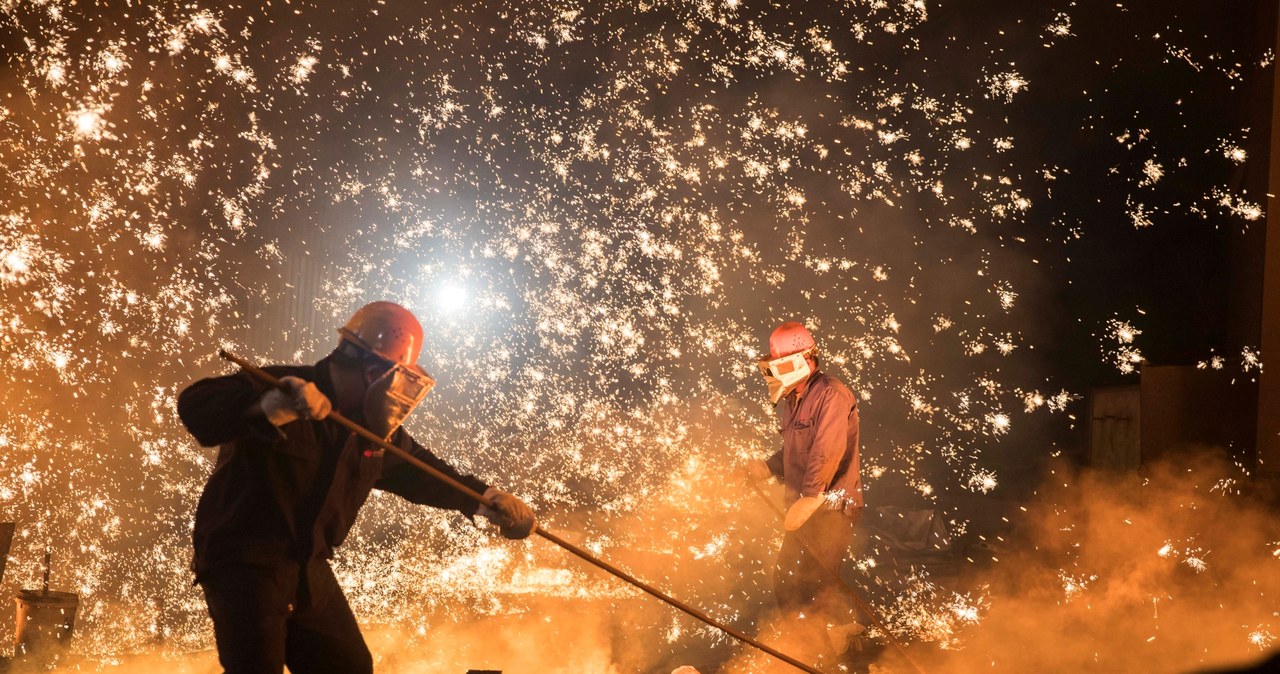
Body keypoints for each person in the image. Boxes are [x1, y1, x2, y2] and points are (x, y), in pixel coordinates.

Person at [178, 301, 535, 674]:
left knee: (349, 666)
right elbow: (195, 406)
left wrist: (487, 500)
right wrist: (272, 406)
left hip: (308, 566)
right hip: (245, 565)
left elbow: (422, 472)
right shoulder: (281, 385)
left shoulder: (369, 428)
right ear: (373, 373)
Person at [744, 321, 863, 629]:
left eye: (778, 364)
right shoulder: (796, 399)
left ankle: (820, 654)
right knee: (786, 581)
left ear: (802, 359)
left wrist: (811, 496)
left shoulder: (832, 396)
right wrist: (768, 467)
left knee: (813, 589)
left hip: (829, 510)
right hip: (805, 508)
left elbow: (827, 451)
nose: (773, 372)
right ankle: (799, 644)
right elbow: (795, 449)